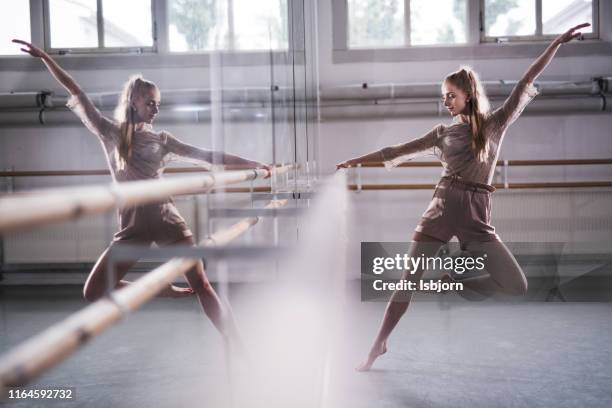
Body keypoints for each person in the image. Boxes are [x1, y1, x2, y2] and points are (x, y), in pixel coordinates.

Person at [336, 23, 590, 371]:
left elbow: (524, 82)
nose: (445, 101)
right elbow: (398, 149)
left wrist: (557, 43)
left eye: (450, 95)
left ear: (467, 95)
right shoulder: (441, 133)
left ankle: (455, 280)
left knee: (516, 284)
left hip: (476, 213)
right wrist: (357, 160)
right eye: (443, 96)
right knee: (407, 281)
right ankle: (378, 343)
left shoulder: (494, 124)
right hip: (441, 207)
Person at [13, 39, 270, 342]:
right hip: (131, 225)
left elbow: (208, 154)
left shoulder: (162, 139)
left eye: (158, 104)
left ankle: (238, 345)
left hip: (166, 219)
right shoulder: (109, 132)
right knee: (93, 290)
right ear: (134, 101)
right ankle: (158, 288)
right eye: (150, 103)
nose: (155, 109)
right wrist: (45, 58)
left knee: (202, 284)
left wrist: (251, 164)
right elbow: (76, 91)